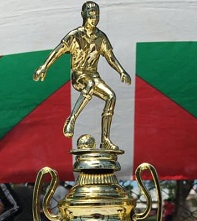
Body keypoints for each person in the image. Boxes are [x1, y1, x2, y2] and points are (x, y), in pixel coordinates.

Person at [33, 1, 131, 150]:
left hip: (94, 75)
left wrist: (121, 71)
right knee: (89, 84)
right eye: (91, 15)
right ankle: (71, 120)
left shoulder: (101, 37)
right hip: (79, 76)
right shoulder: (75, 35)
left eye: (97, 15)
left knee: (111, 97)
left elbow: (110, 57)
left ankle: (105, 140)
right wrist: (44, 67)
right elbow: (57, 51)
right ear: (84, 15)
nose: (95, 18)